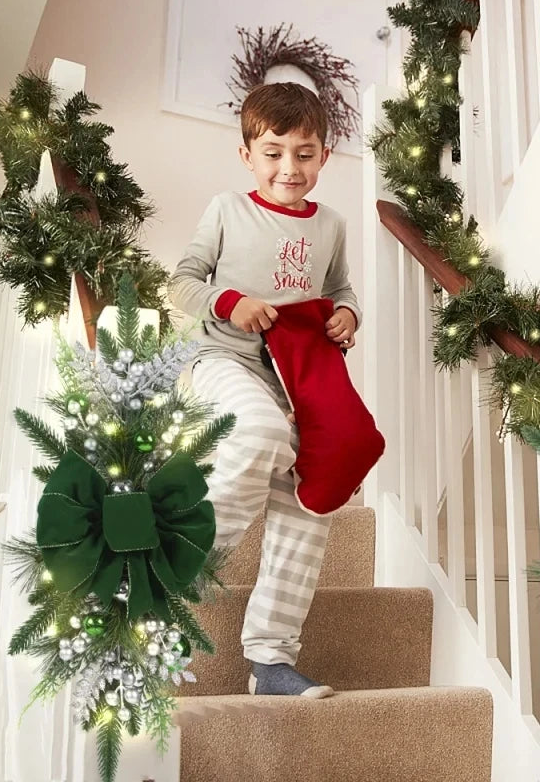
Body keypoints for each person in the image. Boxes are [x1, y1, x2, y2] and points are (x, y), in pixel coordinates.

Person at [169, 82, 361, 698]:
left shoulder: (331, 225)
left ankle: (272, 660)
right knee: (260, 433)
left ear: (324, 155)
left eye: (304, 154)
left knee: (314, 491)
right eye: (273, 153)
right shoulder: (227, 209)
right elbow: (183, 282)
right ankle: (175, 574)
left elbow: (339, 288)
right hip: (223, 361)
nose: (289, 168)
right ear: (247, 154)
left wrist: (347, 314)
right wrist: (232, 301)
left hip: (298, 378)